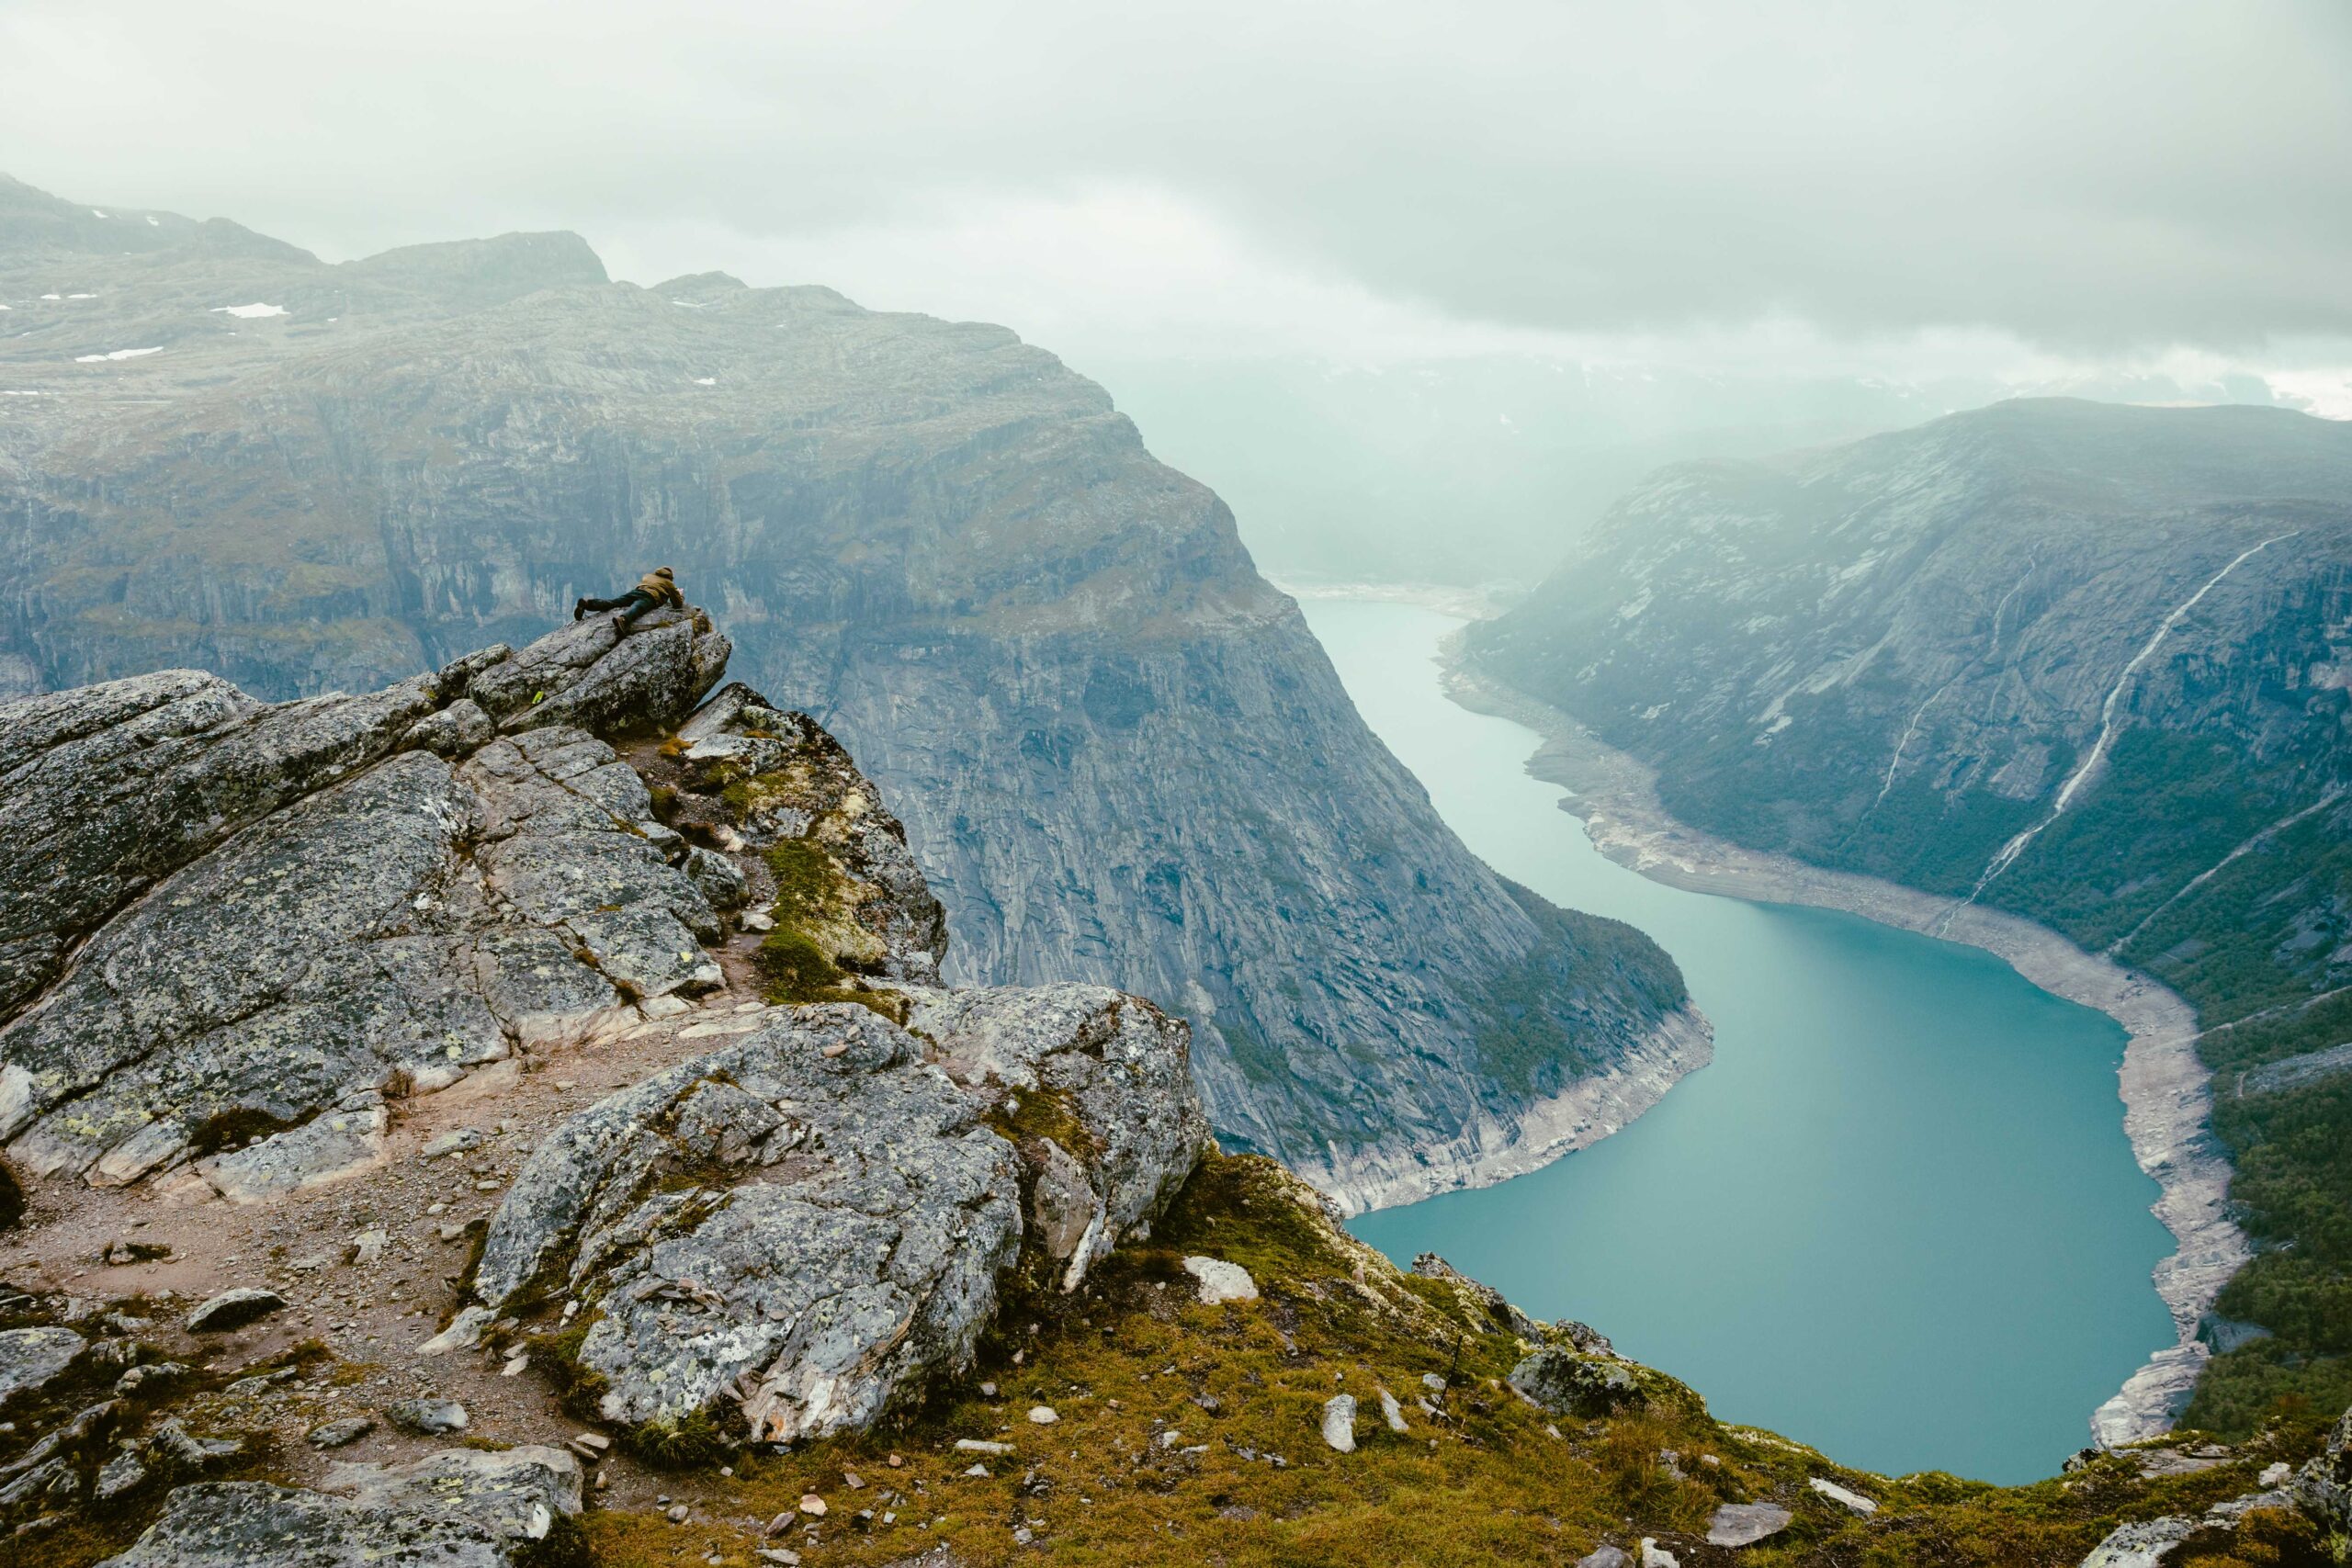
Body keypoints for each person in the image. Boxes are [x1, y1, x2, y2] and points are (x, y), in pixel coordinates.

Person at [574, 566, 685, 626]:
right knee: (637, 607)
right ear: (670, 577)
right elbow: (677, 604)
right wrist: (679, 594)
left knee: (615, 602)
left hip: (636, 591)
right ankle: (623, 620)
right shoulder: (668, 583)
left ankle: (588, 604)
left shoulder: (648, 576)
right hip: (650, 597)